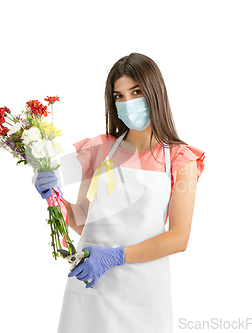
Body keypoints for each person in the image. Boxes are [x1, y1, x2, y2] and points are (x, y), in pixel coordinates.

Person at [35, 53, 205, 332]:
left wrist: (115, 256)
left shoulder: (180, 158)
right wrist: (53, 197)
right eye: (119, 96)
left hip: (143, 289)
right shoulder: (99, 149)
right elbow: (82, 219)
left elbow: (178, 238)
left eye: (136, 92)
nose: (127, 103)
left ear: (155, 92)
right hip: (91, 284)